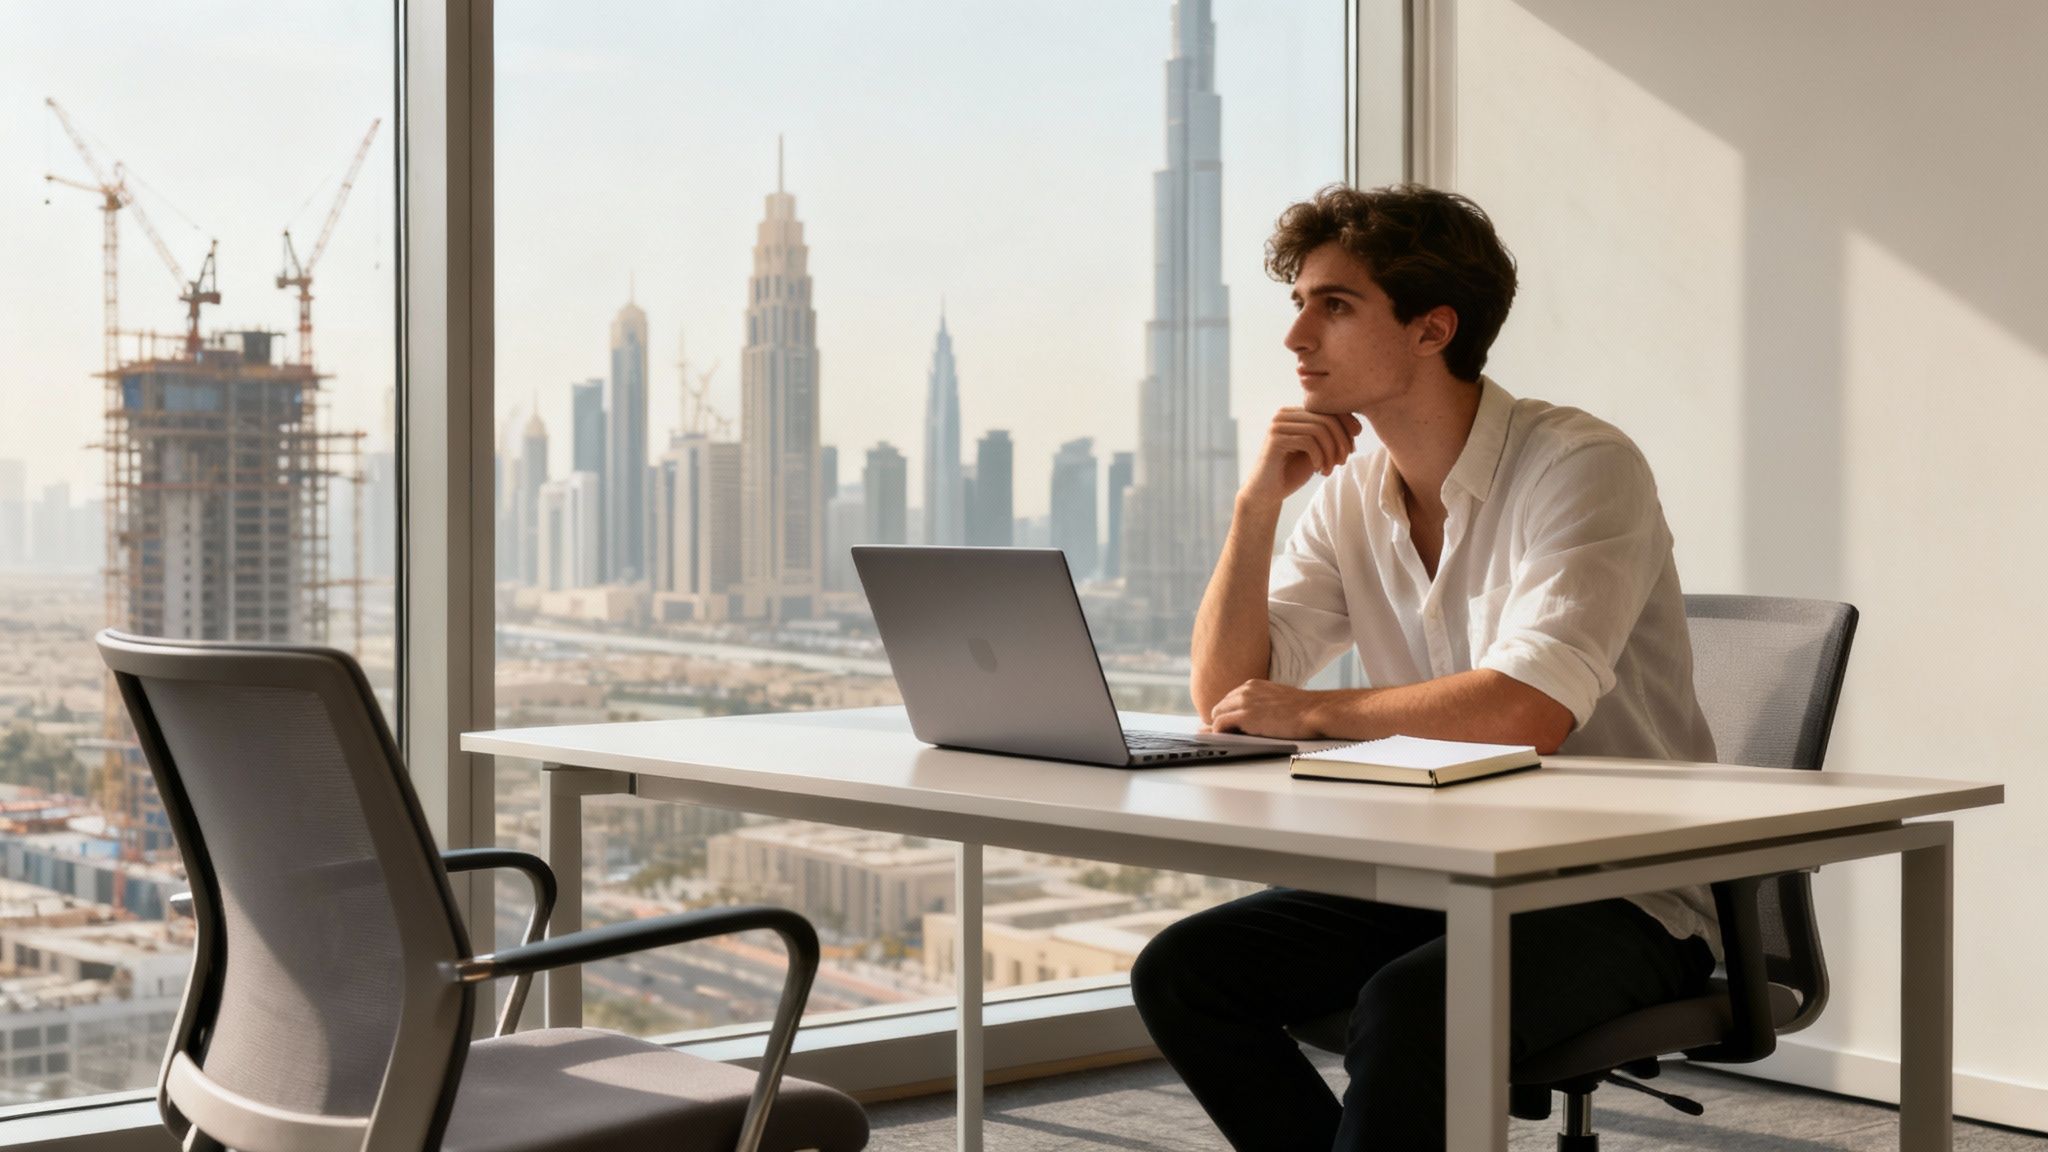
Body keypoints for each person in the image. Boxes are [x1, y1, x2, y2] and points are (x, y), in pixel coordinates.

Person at [1128, 184, 1721, 1151]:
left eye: (1336, 305)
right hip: (1444, 875)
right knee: (1186, 971)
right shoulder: (1347, 494)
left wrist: (1317, 712)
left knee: (1413, 1009)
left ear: (1431, 329)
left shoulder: (1581, 465)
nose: (1296, 338)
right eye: (1299, 303)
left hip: (1618, 890)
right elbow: (1228, 701)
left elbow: (1529, 710)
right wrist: (1254, 511)